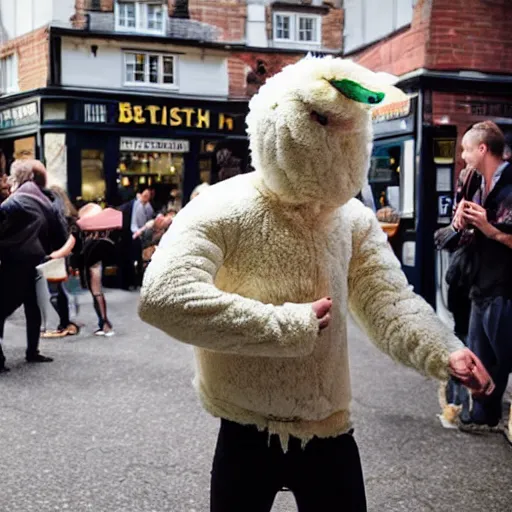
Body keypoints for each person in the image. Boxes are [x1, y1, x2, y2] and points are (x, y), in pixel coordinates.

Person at [139, 57, 493, 511]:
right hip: (245, 423)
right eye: (326, 124)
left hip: (327, 424)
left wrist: (443, 350)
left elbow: (387, 300)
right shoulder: (223, 207)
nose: (339, 144)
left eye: (350, 130)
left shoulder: (352, 221)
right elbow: (165, 297)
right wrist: (286, 325)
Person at [453, 120, 512, 433]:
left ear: (483, 149)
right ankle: (484, 415)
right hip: (478, 282)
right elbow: (459, 227)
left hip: (505, 286)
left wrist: (490, 230)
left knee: (504, 354)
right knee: (479, 355)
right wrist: (460, 221)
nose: (462, 156)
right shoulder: (472, 181)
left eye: (465, 149)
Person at [0, 160, 67, 372]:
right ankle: (32, 351)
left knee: (3, 308)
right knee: (33, 307)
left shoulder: (13, 202)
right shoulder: (44, 199)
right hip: (35, 262)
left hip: (12, 261)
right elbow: (59, 234)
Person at [39, 185, 80, 338]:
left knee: (57, 291)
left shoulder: (56, 214)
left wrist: (54, 254)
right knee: (65, 290)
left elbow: (68, 239)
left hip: (57, 256)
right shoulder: (70, 215)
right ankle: (69, 322)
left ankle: (67, 322)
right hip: (66, 257)